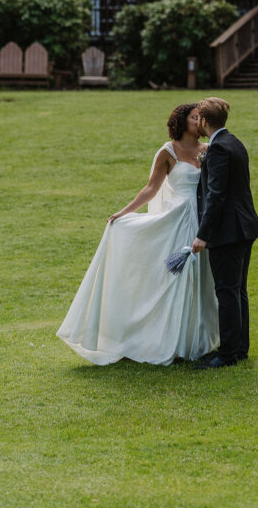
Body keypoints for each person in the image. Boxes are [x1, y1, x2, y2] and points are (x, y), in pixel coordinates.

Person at [56, 103, 219, 365]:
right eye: (193, 116)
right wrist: (123, 213)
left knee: (201, 277)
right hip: (176, 220)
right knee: (176, 279)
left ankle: (195, 342)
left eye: (200, 117)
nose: (199, 120)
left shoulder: (208, 151)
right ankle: (169, 341)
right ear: (181, 121)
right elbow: (150, 189)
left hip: (202, 220)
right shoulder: (168, 152)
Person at [191, 96, 258, 369]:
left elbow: (216, 196)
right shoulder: (233, 142)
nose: (196, 123)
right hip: (244, 228)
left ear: (205, 121)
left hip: (228, 231)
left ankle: (228, 354)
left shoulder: (219, 148)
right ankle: (239, 348)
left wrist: (202, 234)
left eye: (198, 118)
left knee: (227, 292)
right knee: (237, 291)